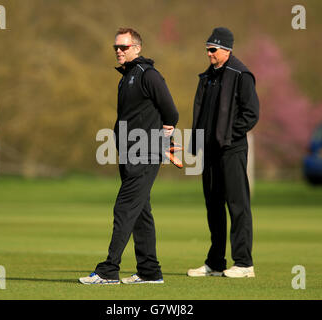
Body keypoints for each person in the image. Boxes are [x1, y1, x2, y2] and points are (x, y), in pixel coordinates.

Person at [79, 28, 179, 285]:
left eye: (123, 46)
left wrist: (166, 136)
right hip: (129, 154)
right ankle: (150, 272)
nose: (118, 51)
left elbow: (170, 111)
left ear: (137, 48)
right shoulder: (126, 77)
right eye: (116, 47)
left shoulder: (148, 74)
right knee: (140, 213)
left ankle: (108, 270)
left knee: (124, 208)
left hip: (145, 153)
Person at [187, 27, 259, 278]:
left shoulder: (242, 75)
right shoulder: (207, 77)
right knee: (213, 206)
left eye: (213, 49)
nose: (208, 53)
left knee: (238, 205)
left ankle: (244, 263)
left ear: (227, 50)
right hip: (209, 152)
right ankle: (215, 262)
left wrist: (228, 135)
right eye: (207, 48)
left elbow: (251, 115)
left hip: (232, 150)